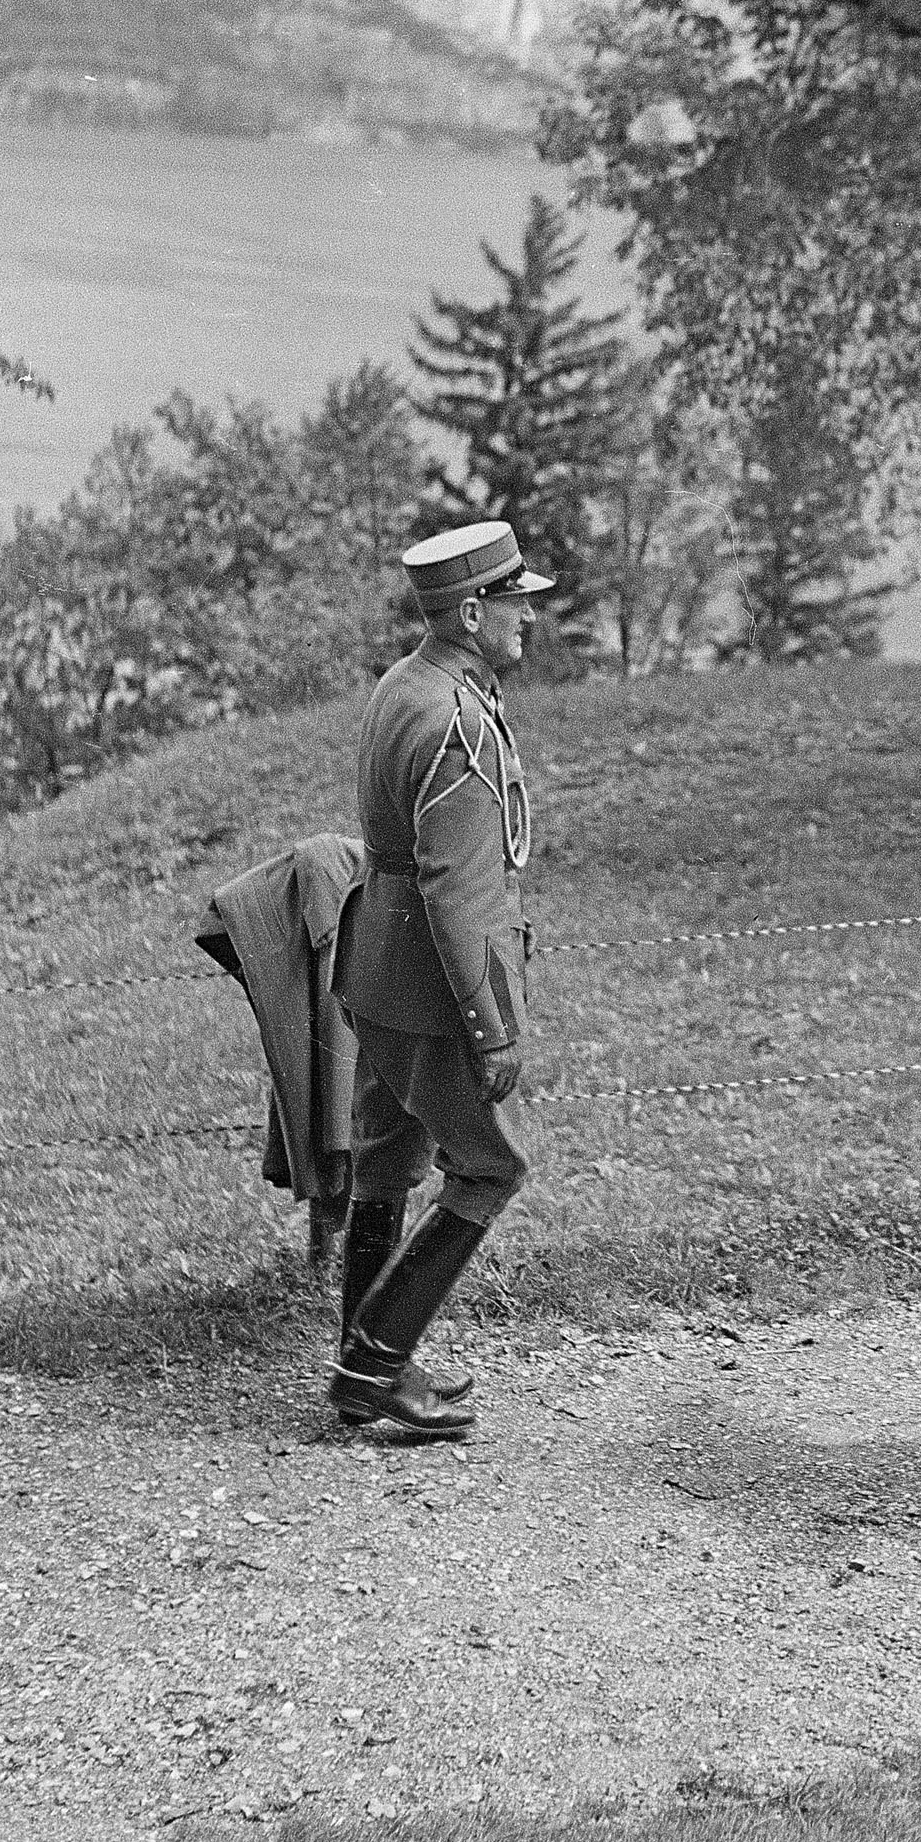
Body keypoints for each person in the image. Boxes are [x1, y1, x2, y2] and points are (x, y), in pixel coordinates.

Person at [328, 518, 556, 1438]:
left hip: (374, 969)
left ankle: (367, 1357)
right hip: (429, 988)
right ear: (469, 613)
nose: (526, 617)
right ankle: (372, 1366)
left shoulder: (406, 684)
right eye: (512, 602)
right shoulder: (458, 726)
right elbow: (458, 890)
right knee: (490, 1168)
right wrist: (491, 1026)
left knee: (386, 1161)